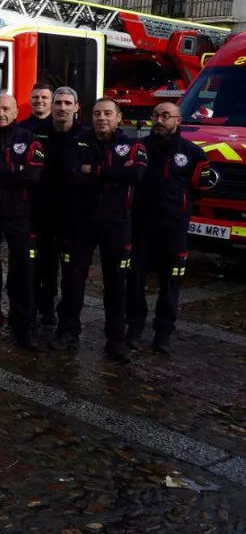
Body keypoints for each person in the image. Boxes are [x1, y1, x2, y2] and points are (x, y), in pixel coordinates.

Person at [55, 98, 147, 363]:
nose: (102, 118)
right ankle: (68, 331)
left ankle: (115, 340)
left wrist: (94, 171)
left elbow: (136, 175)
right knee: (73, 279)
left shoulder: (131, 145)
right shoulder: (78, 142)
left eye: (108, 113)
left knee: (116, 283)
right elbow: (72, 174)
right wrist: (113, 174)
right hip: (81, 222)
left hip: (116, 223)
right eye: (97, 113)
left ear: (119, 118)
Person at [126, 102, 210, 354]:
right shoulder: (139, 148)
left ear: (178, 120)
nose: (160, 120)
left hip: (174, 228)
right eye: (156, 115)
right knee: (135, 280)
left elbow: (201, 191)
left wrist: (180, 207)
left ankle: (163, 334)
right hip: (142, 226)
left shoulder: (193, 153)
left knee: (171, 282)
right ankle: (134, 329)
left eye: (166, 116)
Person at [0, 93, 45, 350]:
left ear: (16, 112)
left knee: (23, 270)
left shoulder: (29, 139)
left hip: (19, 214)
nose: (1, 114)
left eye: (6, 109)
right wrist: (15, 168)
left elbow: (34, 175)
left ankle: (24, 325)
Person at [33, 87, 84, 331]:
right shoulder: (36, 133)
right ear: (51, 107)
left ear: (76, 107)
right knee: (44, 264)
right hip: (42, 213)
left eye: (67, 102)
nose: (62, 107)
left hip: (74, 216)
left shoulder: (86, 135)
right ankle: (45, 308)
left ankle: (69, 318)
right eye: (58, 103)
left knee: (72, 271)